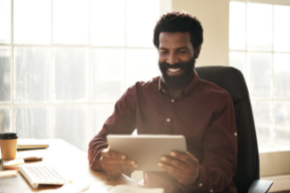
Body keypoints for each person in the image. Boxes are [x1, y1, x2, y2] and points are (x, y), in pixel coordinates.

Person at [88, 12, 238, 193]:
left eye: (181, 51)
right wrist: (104, 158)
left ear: (196, 51)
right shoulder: (138, 94)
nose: (172, 60)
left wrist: (196, 176)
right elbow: (98, 142)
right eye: (164, 51)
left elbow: (222, 167)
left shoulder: (219, 100)